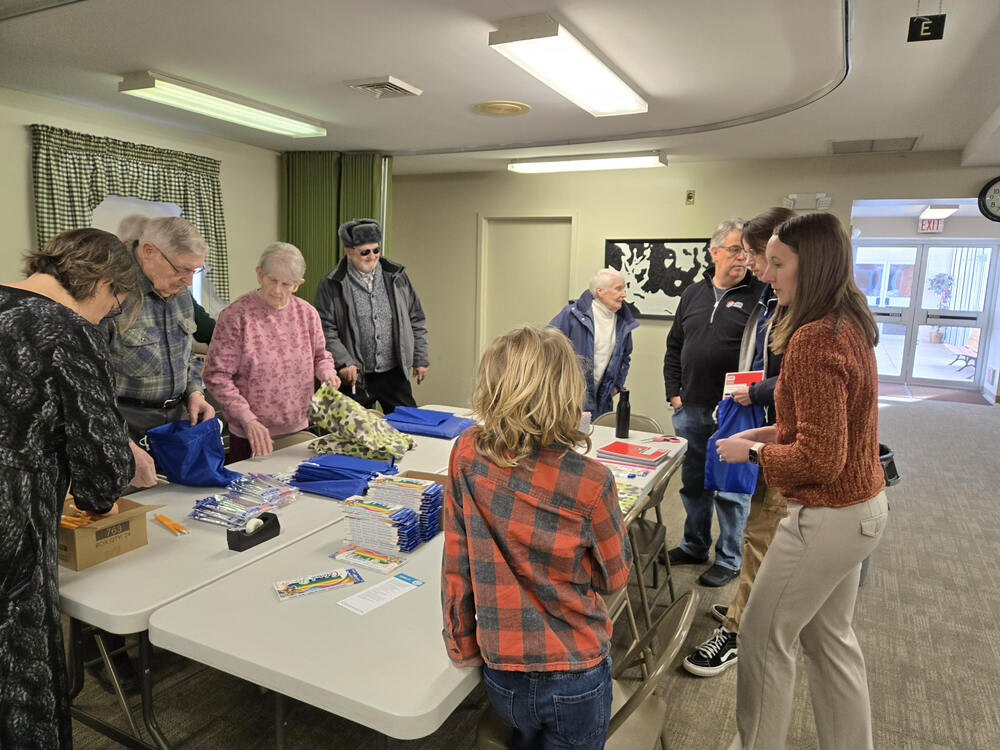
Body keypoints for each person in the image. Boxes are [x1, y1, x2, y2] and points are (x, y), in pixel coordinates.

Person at [716, 212, 887, 750]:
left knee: (763, 637)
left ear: (810, 267)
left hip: (827, 515)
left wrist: (753, 453)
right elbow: (824, 424)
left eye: (777, 263)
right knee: (829, 640)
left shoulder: (814, 338)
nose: (766, 275)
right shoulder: (846, 323)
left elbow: (819, 459)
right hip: (861, 510)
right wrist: (766, 433)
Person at [442, 326, 632, 750]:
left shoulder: (466, 452)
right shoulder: (593, 481)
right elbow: (615, 578)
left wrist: (460, 642)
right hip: (575, 669)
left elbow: (457, 560)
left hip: (501, 669)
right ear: (569, 393)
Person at [0, 228, 137, 749]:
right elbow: (103, 476)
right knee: (19, 687)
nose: (108, 316)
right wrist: (113, 474)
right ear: (103, 283)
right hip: (13, 534)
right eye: (115, 303)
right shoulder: (68, 332)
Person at [682, 206, 794, 677]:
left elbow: (796, 384)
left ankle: (738, 630)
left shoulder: (800, 313)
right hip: (758, 426)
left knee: (760, 533)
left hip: (778, 439)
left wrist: (756, 396)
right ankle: (741, 609)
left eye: (759, 256)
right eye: (743, 253)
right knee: (755, 530)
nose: (751, 264)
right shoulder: (770, 299)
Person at [663, 218, 764, 587]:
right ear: (715, 253)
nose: (743, 258)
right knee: (693, 483)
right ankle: (694, 545)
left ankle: (729, 558)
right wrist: (674, 392)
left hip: (734, 412)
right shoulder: (693, 294)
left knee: (731, 488)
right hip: (690, 407)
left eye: (747, 252)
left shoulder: (760, 295)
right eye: (735, 250)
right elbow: (674, 346)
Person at [204, 243, 340, 462]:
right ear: (259, 274)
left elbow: (321, 356)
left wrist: (327, 374)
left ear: (297, 284)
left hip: (299, 426)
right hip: (250, 431)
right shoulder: (236, 315)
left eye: (286, 284)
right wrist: (247, 419)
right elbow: (216, 376)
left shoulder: (307, 313)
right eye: (272, 280)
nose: (277, 290)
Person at [105, 216, 216, 483]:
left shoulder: (179, 290)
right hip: (125, 425)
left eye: (195, 271)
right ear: (149, 251)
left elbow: (186, 354)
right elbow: (87, 384)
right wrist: (121, 442)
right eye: (182, 269)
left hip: (177, 421)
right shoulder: (111, 293)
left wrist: (195, 392)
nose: (188, 281)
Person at [314, 218, 429, 414]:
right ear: (349, 251)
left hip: (394, 374)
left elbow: (416, 318)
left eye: (376, 250)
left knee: (409, 424)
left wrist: (420, 358)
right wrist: (344, 362)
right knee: (355, 429)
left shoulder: (396, 276)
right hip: (356, 378)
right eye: (365, 252)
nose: (372, 256)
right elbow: (325, 329)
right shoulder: (332, 283)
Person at [549, 268, 637, 417]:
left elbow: (625, 357)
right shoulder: (571, 315)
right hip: (570, 402)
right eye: (618, 289)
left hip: (602, 403)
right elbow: (546, 348)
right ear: (600, 291)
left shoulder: (623, 322)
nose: (624, 294)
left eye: (624, 289)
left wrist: (617, 385)